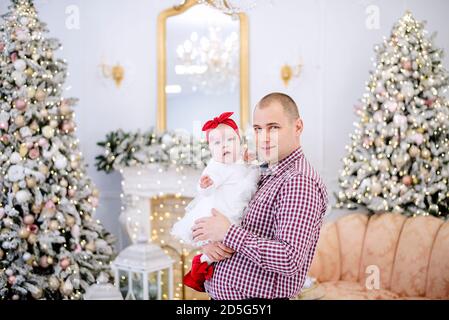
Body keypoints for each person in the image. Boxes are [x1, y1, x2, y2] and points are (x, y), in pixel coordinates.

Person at [192, 92, 329, 299]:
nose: (263, 138)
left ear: (298, 127)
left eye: (273, 127)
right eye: (257, 129)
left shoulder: (299, 181)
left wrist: (228, 233)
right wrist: (212, 243)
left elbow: (289, 258)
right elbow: (236, 219)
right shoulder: (265, 170)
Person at [171, 111, 260, 292]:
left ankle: (205, 264)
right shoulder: (216, 166)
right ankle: (201, 266)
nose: (224, 146)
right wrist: (206, 184)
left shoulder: (240, 160)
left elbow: (248, 171)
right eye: (217, 143)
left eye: (230, 140)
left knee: (229, 246)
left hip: (237, 207)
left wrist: (249, 161)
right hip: (223, 211)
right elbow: (207, 187)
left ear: (239, 142)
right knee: (222, 246)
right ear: (211, 150)